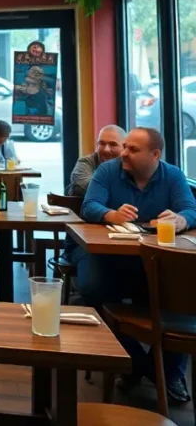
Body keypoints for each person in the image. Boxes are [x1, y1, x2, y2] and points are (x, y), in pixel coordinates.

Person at [72, 127, 196, 403]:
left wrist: (181, 220)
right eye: (124, 147)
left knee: (180, 292)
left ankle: (166, 371)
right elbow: (89, 206)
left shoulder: (172, 175)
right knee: (92, 288)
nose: (123, 153)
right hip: (106, 254)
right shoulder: (108, 171)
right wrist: (111, 214)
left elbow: (191, 209)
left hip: (150, 258)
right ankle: (144, 367)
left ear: (155, 155)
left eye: (132, 149)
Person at [65, 124, 126, 197]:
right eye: (102, 144)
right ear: (97, 145)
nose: (106, 149)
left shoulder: (130, 164)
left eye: (113, 144)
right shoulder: (86, 163)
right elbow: (93, 190)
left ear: (125, 147)